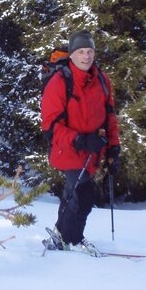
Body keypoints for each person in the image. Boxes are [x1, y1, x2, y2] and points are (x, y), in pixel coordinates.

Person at [40, 31, 121, 255]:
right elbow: (50, 126)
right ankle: (72, 240)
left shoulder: (102, 80)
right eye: (81, 52)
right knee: (82, 196)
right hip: (69, 148)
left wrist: (114, 148)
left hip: (94, 150)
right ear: (72, 54)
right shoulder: (60, 81)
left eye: (90, 51)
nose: (86, 57)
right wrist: (81, 140)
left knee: (73, 193)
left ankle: (61, 235)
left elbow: (109, 116)